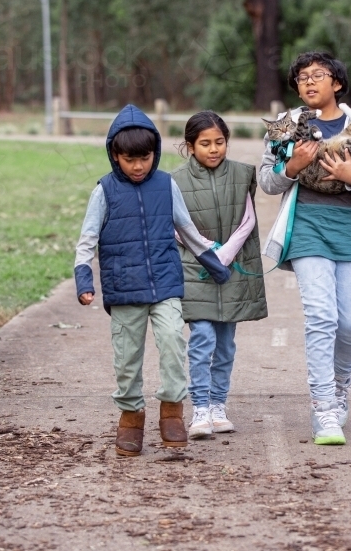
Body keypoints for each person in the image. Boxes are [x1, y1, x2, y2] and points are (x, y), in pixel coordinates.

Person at [258, 51, 351, 445]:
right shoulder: (286, 127)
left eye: (317, 75)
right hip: (306, 228)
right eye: (302, 78)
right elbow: (267, 181)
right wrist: (292, 168)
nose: (308, 82)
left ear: (336, 83)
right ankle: (323, 408)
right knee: (322, 316)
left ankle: (339, 388)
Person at [74, 104, 230, 457]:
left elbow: (187, 230)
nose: (139, 166)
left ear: (154, 153)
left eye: (145, 158)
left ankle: (172, 411)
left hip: (164, 284)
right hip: (124, 288)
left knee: (174, 341)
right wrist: (85, 281)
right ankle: (131, 416)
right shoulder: (104, 191)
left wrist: (215, 263)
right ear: (115, 155)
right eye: (130, 159)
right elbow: (86, 240)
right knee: (127, 358)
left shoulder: (165, 185)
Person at [172, 111, 268, 439]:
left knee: (226, 345)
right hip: (195, 270)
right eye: (205, 143)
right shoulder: (174, 181)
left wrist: (226, 253)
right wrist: (208, 251)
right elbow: (174, 225)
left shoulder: (242, 174)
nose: (213, 149)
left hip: (232, 272)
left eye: (220, 142)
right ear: (190, 146)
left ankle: (217, 405)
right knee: (202, 339)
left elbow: (248, 219)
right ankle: (199, 408)